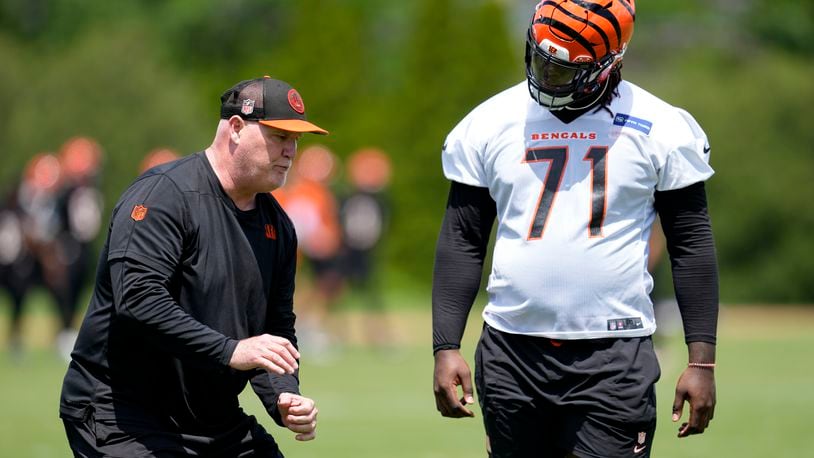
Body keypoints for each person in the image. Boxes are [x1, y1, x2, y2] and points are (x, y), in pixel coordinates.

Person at [431, 2, 719, 457]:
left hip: (613, 354)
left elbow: (691, 245)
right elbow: (462, 240)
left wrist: (702, 360)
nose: (546, 78)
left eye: (563, 71)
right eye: (541, 61)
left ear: (610, 65)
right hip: (511, 351)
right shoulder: (489, 122)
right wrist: (445, 345)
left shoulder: (661, 126)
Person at [59, 76, 328, 457]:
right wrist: (231, 350)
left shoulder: (278, 226)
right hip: (120, 413)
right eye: (279, 136)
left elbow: (274, 330)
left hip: (210, 418)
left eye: (296, 140)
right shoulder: (165, 196)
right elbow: (138, 300)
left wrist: (285, 396)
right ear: (235, 128)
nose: (290, 151)